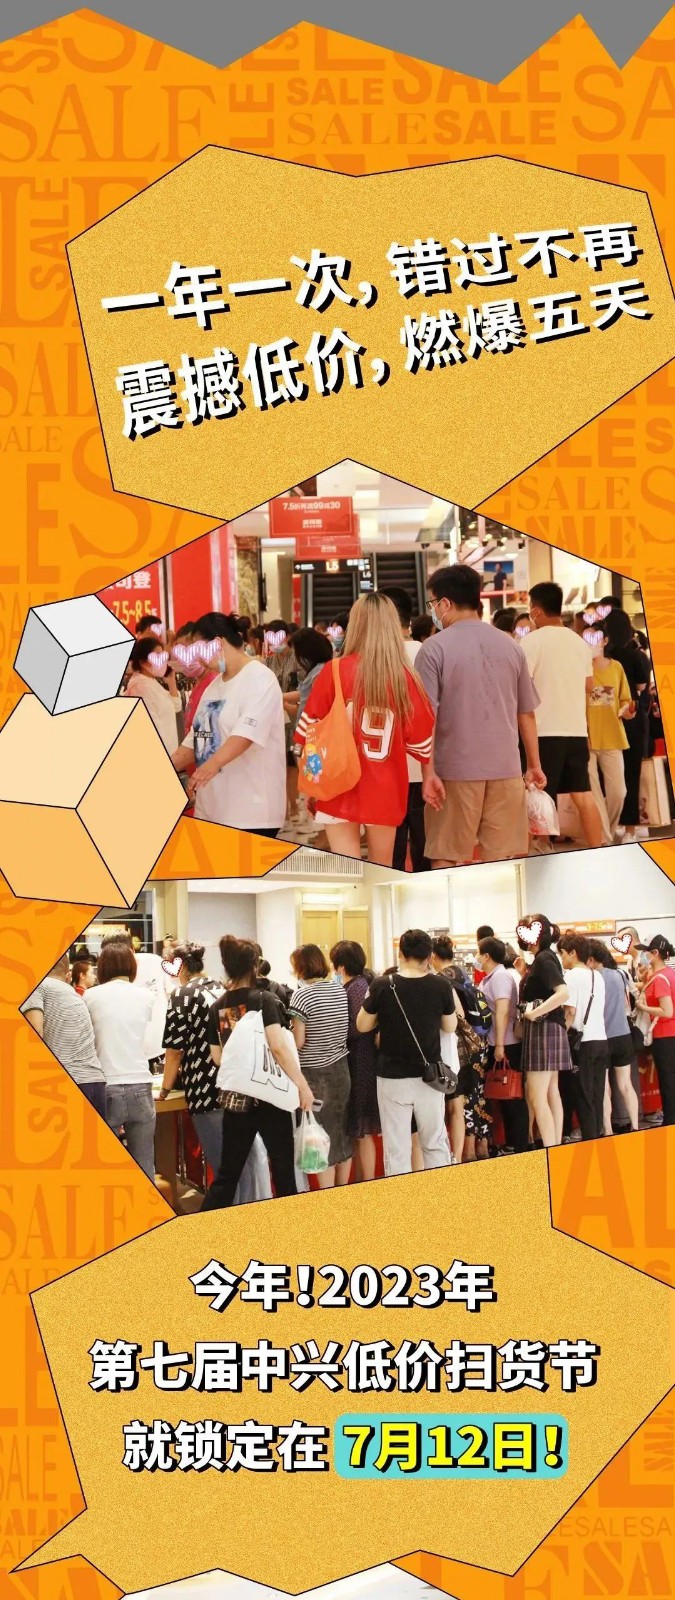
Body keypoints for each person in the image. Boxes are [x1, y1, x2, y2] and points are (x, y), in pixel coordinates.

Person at [417, 564, 546, 868]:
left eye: (433, 603)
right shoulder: (511, 646)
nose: (433, 610)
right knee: (501, 859)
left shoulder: (433, 649)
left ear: (445, 603)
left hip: (454, 771)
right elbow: (526, 713)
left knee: (446, 855)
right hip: (507, 768)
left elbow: (426, 718)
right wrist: (534, 765)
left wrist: (428, 772)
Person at [295, 592, 435, 867]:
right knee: (381, 868)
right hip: (385, 788)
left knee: (347, 870)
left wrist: (311, 785)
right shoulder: (405, 677)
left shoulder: (334, 670)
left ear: (355, 624)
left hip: (336, 784)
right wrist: (429, 775)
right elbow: (422, 742)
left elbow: (309, 734)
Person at [202, 937, 313, 1209]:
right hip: (270, 1095)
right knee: (283, 1171)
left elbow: (218, 1058)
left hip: (238, 1098)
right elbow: (278, 1047)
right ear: (255, 965)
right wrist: (302, 1085)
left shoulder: (219, 1007)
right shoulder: (264, 999)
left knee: (228, 1175)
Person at [159, 940, 270, 1202]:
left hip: (205, 1090)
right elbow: (232, 1037)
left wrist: (164, 1089)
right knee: (245, 1162)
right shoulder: (221, 989)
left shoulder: (182, 994)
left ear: (180, 965)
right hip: (235, 1084)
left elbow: (174, 1051)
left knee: (225, 1168)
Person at [172, 612, 286, 836]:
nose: (198, 660)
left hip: (250, 811)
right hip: (212, 810)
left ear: (217, 643)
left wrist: (211, 766)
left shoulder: (260, 678)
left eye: (199, 651)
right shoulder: (214, 686)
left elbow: (246, 735)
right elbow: (197, 739)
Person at [356, 928, 456, 1176]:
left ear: (400, 954)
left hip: (392, 1077)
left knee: (397, 1148)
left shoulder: (382, 985)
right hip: (430, 1077)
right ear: (430, 957)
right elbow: (450, 1026)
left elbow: (362, 1025)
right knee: (434, 1142)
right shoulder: (441, 985)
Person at [520, 583, 603, 848]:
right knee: (583, 795)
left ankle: (528, 854)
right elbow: (589, 685)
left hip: (543, 731)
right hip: (576, 731)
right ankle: (597, 849)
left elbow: (521, 686)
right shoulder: (579, 643)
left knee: (533, 795)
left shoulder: (531, 642)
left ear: (536, 610)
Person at [84, 942, 155, 1181]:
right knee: (144, 1163)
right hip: (140, 1082)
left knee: (106, 1167)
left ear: (102, 966)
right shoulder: (146, 996)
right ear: (132, 966)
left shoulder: (90, 996)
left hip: (105, 1082)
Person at [289, 944, 352, 1188]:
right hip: (342, 1069)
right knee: (342, 1134)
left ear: (300, 967)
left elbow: (299, 1041)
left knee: (319, 1137)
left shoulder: (302, 995)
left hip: (314, 1075)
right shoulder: (338, 989)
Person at [21, 953, 107, 1116]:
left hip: (63, 1083)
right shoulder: (75, 995)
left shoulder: (37, 987)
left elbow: (34, 1034)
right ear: (68, 975)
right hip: (95, 1082)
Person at [381, 586, 429, 874]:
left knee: (391, 850)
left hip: (386, 767)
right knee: (425, 844)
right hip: (424, 764)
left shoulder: (374, 657)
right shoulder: (425, 651)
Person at [517, 915, 572, 1148]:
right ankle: (554, 1146)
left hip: (543, 1028)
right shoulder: (547, 958)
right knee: (550, 1093)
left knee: (537, 1097)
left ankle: (550, 1148)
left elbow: (563, 992)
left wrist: (534, 1013)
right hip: (551, 1027)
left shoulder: (543, 959)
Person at [330, 939, 380, 1182]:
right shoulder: (357, 984)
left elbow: (360, 1027)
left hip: (361, 1061)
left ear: (341, 966)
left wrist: (335, 1031)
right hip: (359, 1059)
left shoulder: (357, 987)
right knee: (358, 1129)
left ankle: (366, 1181)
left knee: (362, 1129)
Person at [602, 609, 651, 843]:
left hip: (606, 719)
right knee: (631, 774)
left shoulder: (604, 656)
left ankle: (610, 825)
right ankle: (630, 828)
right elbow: (641, 687)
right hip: (631, 716)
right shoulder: (635, 655)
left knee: (609, 777)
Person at [476, 936, 529, 1153]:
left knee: (512, 1095)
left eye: (479, 953)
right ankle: (511, 1142)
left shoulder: (500, 977)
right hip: (497, 1042)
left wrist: (499, 1045)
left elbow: (503, 1012)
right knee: (503, 1095)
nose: (477, 957)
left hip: (506, 1044)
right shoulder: (491, 977)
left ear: (486, 956)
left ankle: (520, 1145)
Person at [557, 933, 609, 1142]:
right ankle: (597, 1137)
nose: (561, 958)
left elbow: (570, 1012)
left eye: (562, 953)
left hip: (582, 1043)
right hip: (601, 1040)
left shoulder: (571, 976)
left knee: (583, 1097)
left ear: (572, 953)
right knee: (597, 1095)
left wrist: (560, 1036)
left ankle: (590, 1141)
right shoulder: (597, 976)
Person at [586, 940, 639, 1133]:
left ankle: (608, 1130)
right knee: (626, 1084)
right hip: (623, 1035)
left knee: (604, 1087)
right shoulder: (621, 974)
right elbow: (632, 999)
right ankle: (635, 1126)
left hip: (601, 1037)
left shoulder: (591, 978)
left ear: (590, 958)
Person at [429, 935, 474, 1162]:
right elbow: (462, 1015)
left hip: (444, 1051)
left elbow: (456, 1016)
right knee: (457, 1108)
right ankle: (456, 1157)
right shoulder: (460, 974)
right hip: (460, 1051)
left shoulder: (438, 981)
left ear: (432, 956)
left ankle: (445, 1158)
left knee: (441, 1109)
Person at [586, 632, 633, 843]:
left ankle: (609, 832)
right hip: (586, 737)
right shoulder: (581, 668)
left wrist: (627, 710)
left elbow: (625, 699)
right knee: (593, 793)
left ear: (605, 640)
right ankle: (604, 839)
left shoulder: (617, 667)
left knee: (618, 792)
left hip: (613, 736)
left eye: (594, 638)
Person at [635, 935, 675, 1126]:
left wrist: (643, 1007)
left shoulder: (659, 979)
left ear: (655, 953)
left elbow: (667, 1011)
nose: (643, 955)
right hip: (669, 1033)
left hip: (664, 1035)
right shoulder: (669, 973)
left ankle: (670, 1122)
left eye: (646, 951)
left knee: (667, 1081)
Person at [124, 637, 182, 755]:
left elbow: (176, 707)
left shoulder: (151, 682)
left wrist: (171, 683)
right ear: (144, 662)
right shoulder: (140, 687)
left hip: (170, 753)